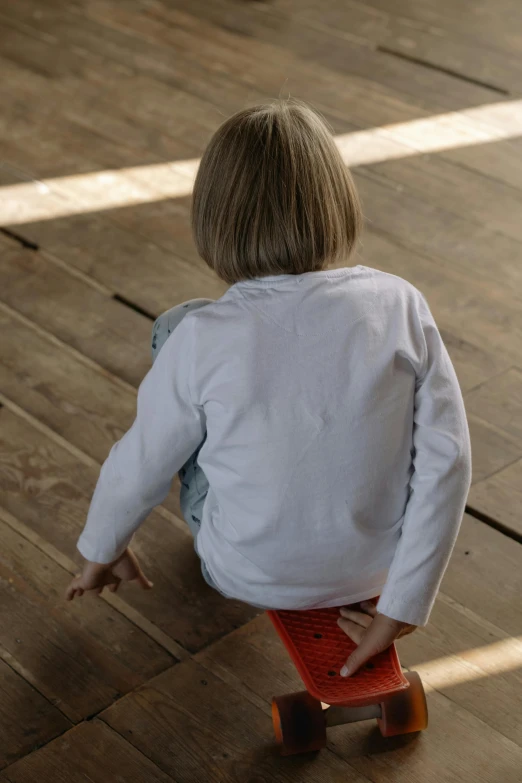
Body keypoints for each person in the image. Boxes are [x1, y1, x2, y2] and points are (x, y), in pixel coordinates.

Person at [65, 100, 472, 677]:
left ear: (215, 218)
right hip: (378, 572)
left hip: (241, 573)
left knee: (173, 329)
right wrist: (403, 605)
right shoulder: (401, 303)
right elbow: (447, 462)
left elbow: (140, 463)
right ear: (338, 203)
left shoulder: (202, 334)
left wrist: (99, 552)